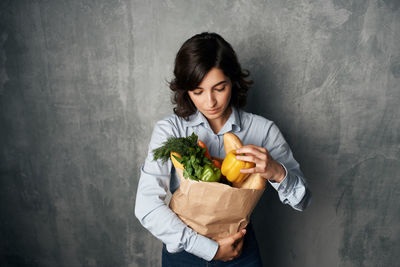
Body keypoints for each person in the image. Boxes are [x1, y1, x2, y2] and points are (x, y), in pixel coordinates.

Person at [134, 32, 311, 266]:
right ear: (186, 90)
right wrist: (210, 250)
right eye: (198, 92)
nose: (210, 102)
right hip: (184, 255)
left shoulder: (263, 130)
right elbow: (146, 206)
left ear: (233, 81)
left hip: (241, 252)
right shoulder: (170, 131)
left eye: (219, 88)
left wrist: (277, 172)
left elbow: (302, 200)